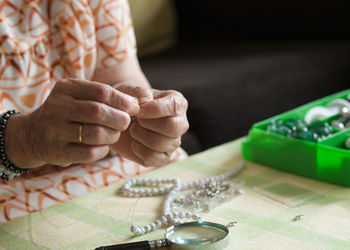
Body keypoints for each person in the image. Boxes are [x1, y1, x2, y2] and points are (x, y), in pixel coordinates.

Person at [0, 0, 189, 180]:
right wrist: (24, 139)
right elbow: (24, 139)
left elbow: (119, 74)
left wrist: (140, 122)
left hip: (107, 168)